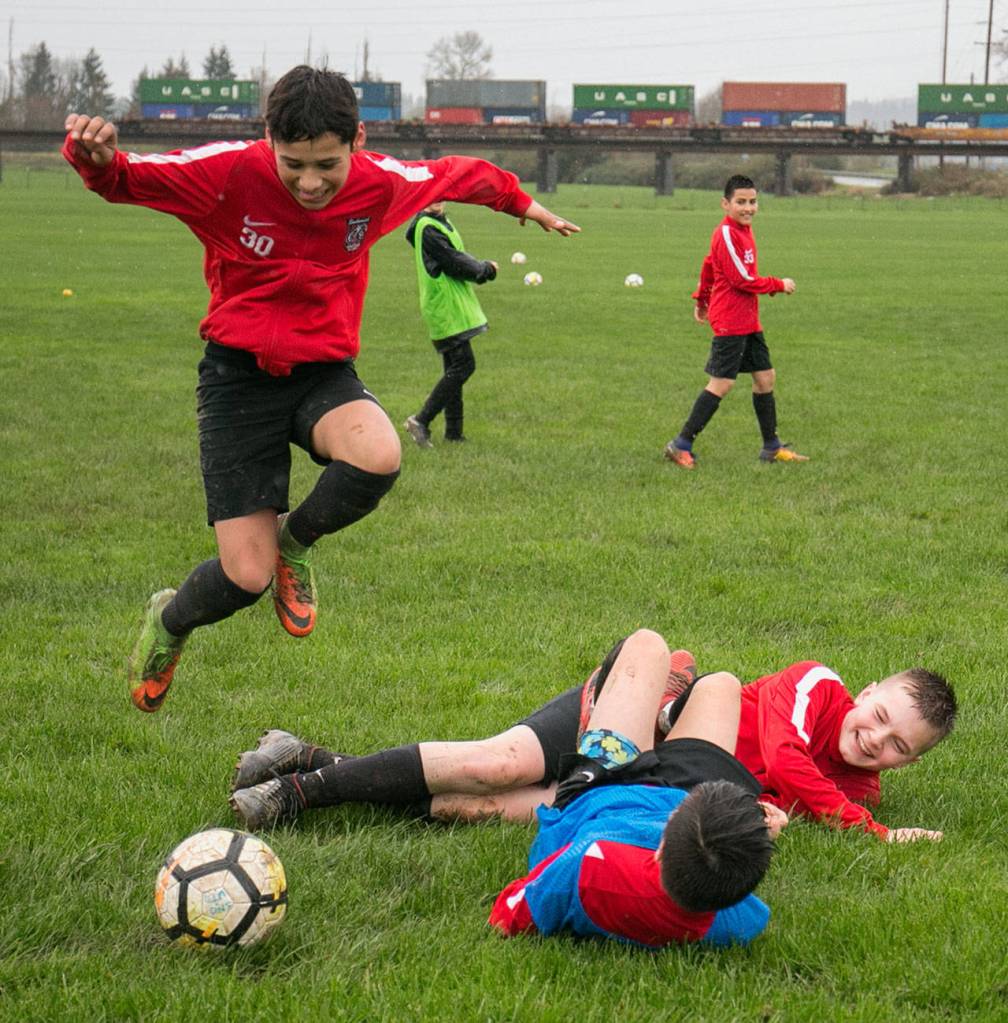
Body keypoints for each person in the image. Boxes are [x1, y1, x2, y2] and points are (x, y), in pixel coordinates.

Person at [62, 66, 578, 713]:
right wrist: (96, 161)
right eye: (294, 164)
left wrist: (519, 202)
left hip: (322, 370)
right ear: (268, 139)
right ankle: (170, 622)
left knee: (381, 452)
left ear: (357, 140)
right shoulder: (227, 174)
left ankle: (295, 544)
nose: (310, 183)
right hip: (236, 379)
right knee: (243, 578)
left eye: (327, 164)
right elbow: (131, 179)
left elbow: (455, 172)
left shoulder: (378, 185)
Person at [229, 639, 955, 844]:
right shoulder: (817, 687)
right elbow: (787, 762)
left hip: (646, 783)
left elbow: (758, 796)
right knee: (496, 763)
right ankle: (297, 793)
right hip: (621, 726)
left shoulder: (859, 786)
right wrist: (875, 834)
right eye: (881, 713)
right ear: (865, 691)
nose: (874, 738)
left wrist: (775, 814)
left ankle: (310, 755)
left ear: (909, 760)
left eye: (897, 744)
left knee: (471, 809)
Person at [487, 629, 787, 949]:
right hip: (681, 794)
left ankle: (607, 720)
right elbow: (745, 901)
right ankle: (665, 716)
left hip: (604, 789)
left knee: (648, 645)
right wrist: (748, 832)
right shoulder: (741, 922)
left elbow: (509, 914)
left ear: (659, 848)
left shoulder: (588, 864)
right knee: (721, 686)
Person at [664, 174, 807, 469]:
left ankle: (771, 447)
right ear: (725, 204)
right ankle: (681, 444)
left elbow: (708, 264)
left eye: (753, 202)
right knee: (722, 383)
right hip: (730, 319)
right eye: (740, 202)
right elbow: (740, 279)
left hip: (748, 319)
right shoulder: (727, 233)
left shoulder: (744, 230)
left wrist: (702, 299)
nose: (748, 208)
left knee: (765, 378)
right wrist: (778, 284)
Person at [402, 202, 497, 447]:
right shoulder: (427, 227)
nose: (437, 200)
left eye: (441, 195)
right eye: (431, 196)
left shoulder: (441, 221)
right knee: (465, 365)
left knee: (453, 368)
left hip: (452, 306)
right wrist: (484, 269)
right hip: (444, 308)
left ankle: (454, 433)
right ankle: (421, 420)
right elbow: (453, 260)